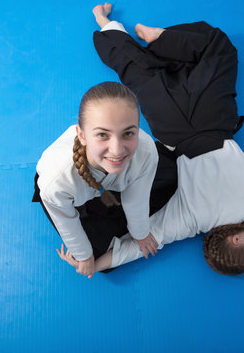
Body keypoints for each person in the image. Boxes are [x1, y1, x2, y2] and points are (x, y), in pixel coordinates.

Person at [57, 3, 244, 276]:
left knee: (218, 48)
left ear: (237, 240)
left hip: (214, 118)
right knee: (139, 72)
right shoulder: (191, 221)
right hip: (174, 128)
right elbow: (140, 245)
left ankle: (161, 39)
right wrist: (93, 265)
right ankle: (106, 23)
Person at [33, 81, 162, 278]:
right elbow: (66, 220)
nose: (117, 150)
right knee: (100, 258)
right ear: (82, 135)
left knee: (171, 179)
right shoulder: (56, 181)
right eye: (103, 134)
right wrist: (84, 256)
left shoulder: (145, 151)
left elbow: (137, 199)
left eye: (128, 133)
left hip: (112, 182)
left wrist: (140, 233)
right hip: (73, 194)